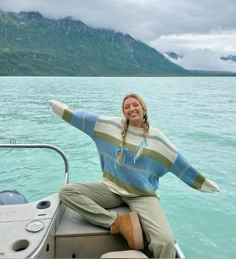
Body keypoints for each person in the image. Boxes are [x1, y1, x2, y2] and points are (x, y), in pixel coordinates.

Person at [49, 93, 219, 258]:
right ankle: (118, 223)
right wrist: (60, 108)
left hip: (142, 195)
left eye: (135, 105)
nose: (131, 109)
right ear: (123, 111)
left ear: (143, 108)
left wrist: (202, 183)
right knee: (67, 192)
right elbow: (82, 119)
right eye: (127, 107)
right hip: (111, 189)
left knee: (166, 242)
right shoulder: (110, 126)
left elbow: (180, 164)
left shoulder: (157, 138)